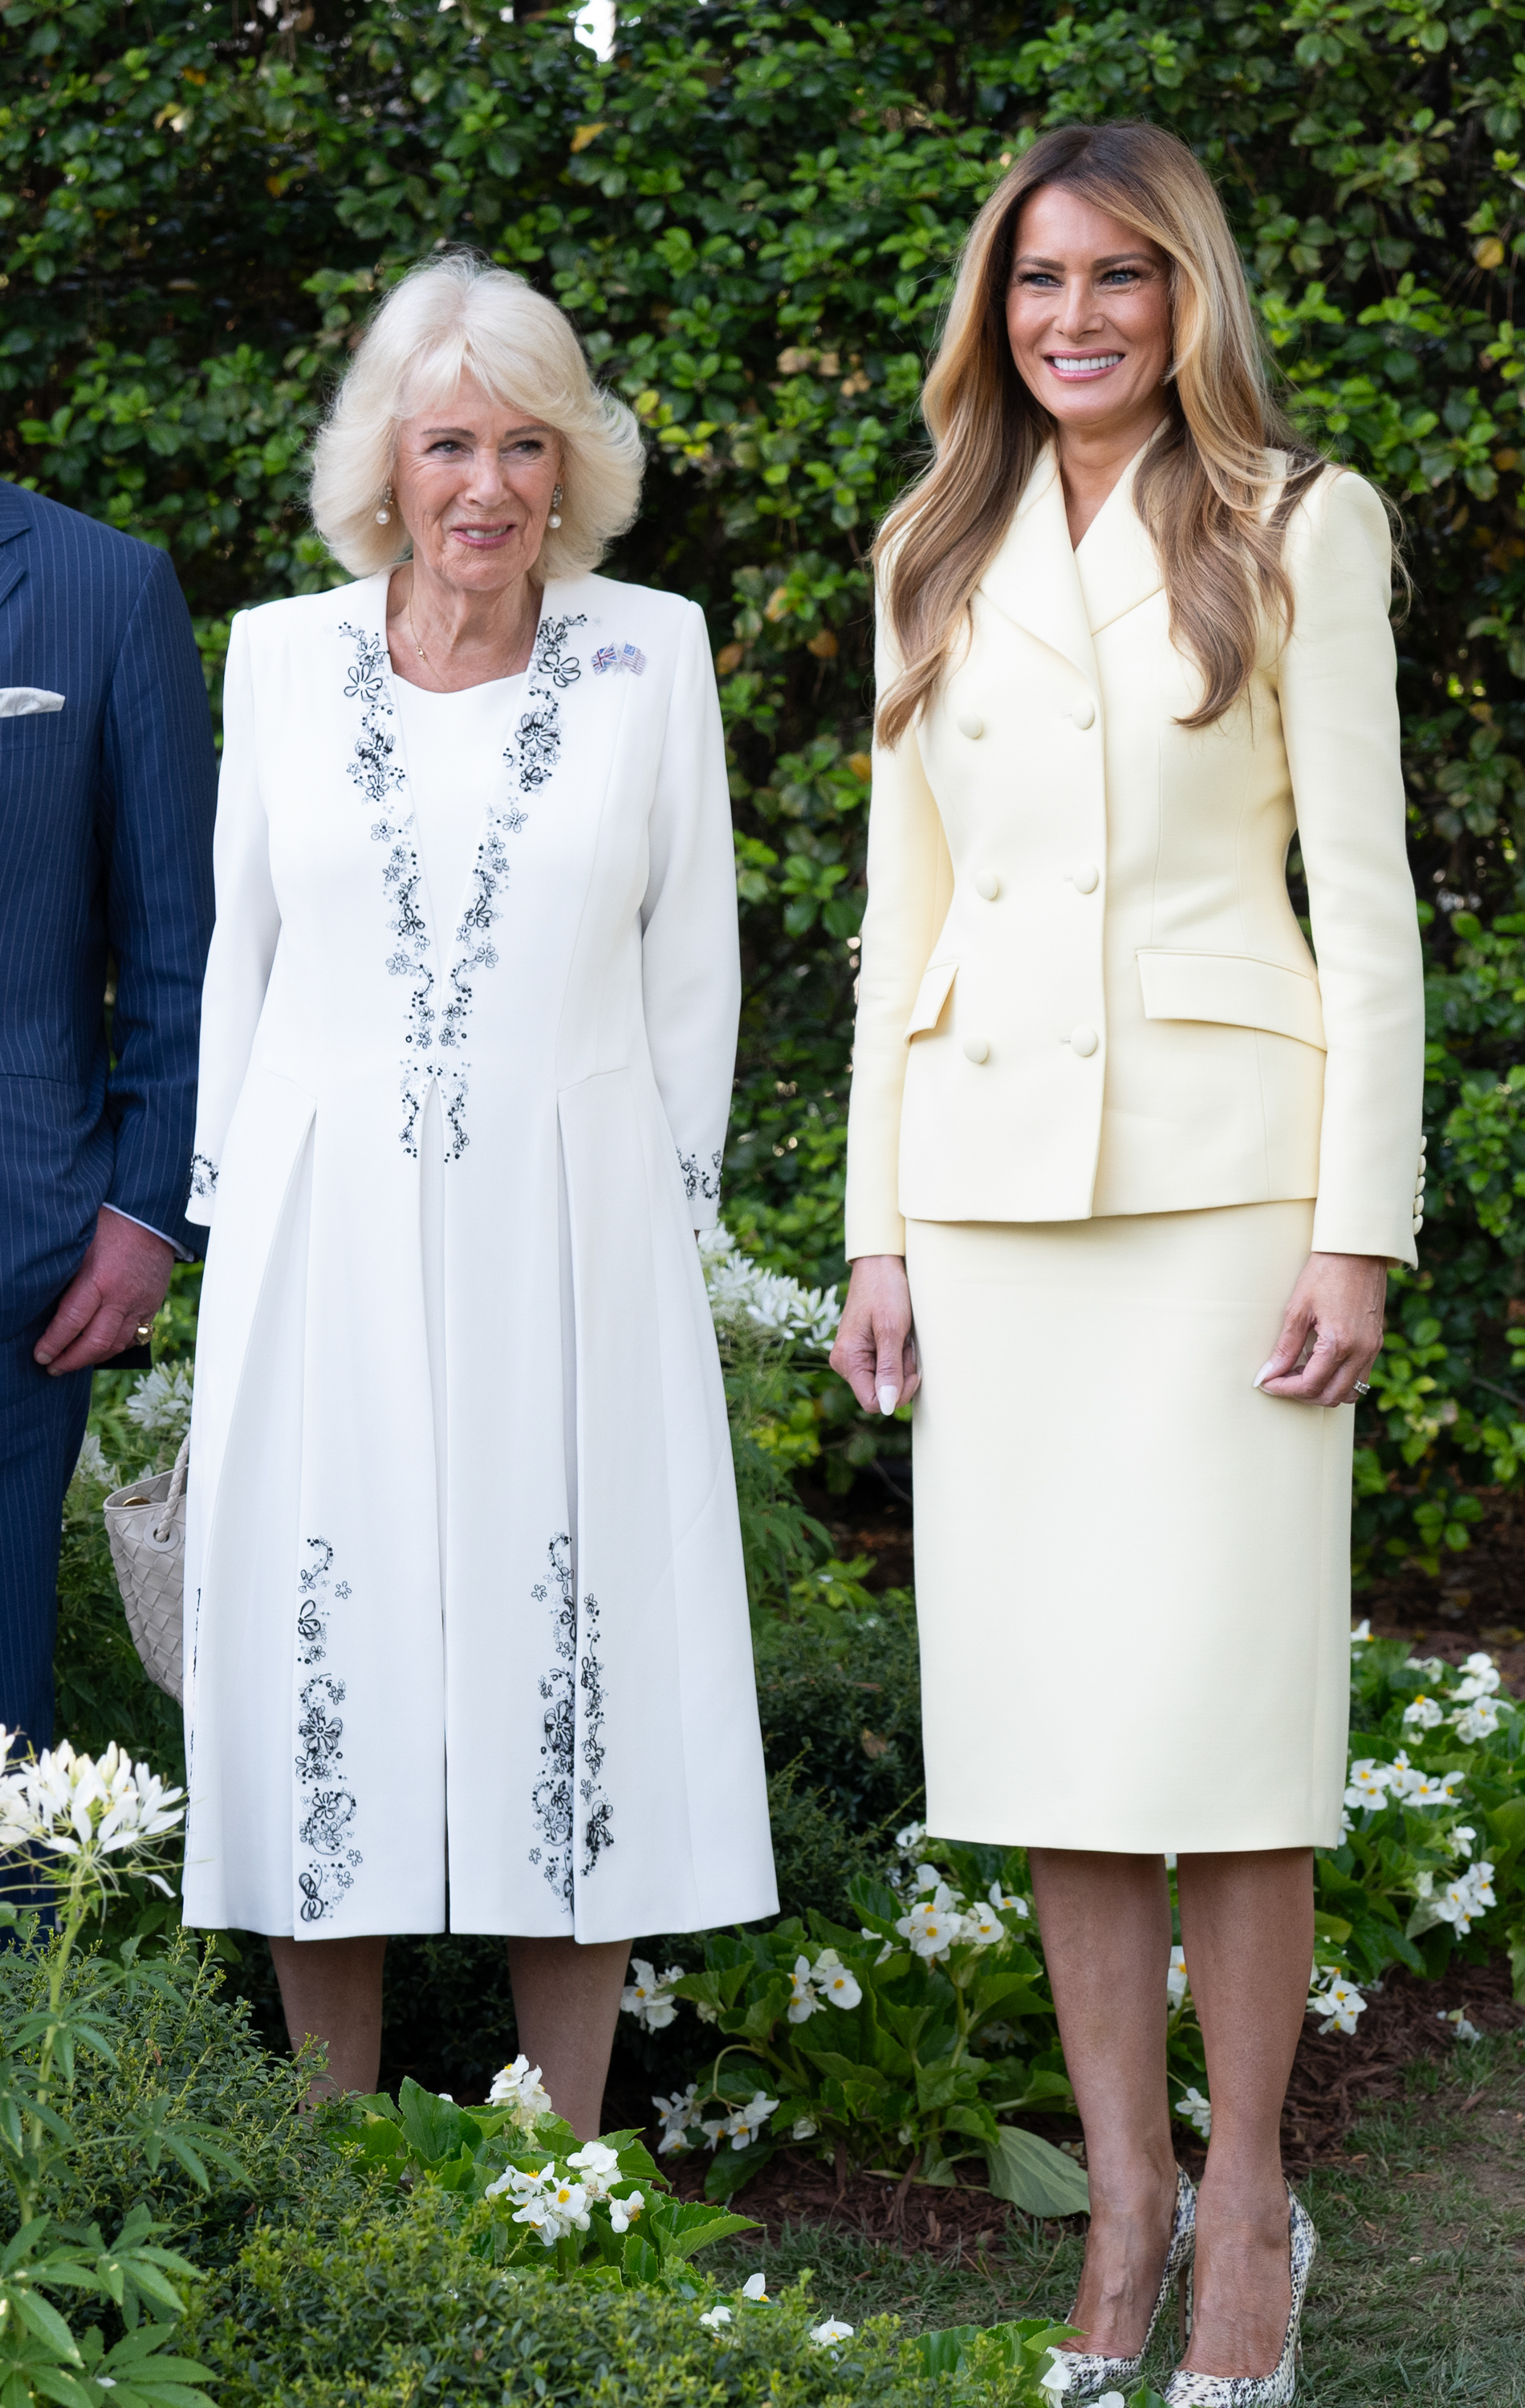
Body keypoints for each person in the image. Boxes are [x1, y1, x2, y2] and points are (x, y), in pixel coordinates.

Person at [830, 121, 1423, 2406]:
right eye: (1037, 280)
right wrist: (874, 1231)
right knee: (1058, 1741)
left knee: (1227, 1736)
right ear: (996, 310)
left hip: (1219, 1193)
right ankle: (1124, 2218)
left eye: (1119, 277)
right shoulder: (926, 543)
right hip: (986, 1205)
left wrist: (1352, 1227)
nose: (1072, 317)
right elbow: (909, 915)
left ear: (1189, 298)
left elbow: (1359, 907)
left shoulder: (1299, 523)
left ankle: (1253, 2205)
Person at [181, 254, 776, 2136]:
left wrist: (656, 1230)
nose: (488, 486)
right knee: (321, 1643)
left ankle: (557, 2164)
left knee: (562, 1640)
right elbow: (238, 956)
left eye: (528, 443)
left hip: (571, 1237)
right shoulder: (278, 654)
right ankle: (335, 2159)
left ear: (571, 466)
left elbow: (698, 968)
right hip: (321, 1233)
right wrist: (229, 1232)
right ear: (388, 460)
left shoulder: (647, 651)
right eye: (451, 442)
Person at [0, 482, 215, 1756]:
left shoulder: (108, 586)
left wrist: (148, 1215)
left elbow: (178, 944)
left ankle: (24, 1963)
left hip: (12, 1254)